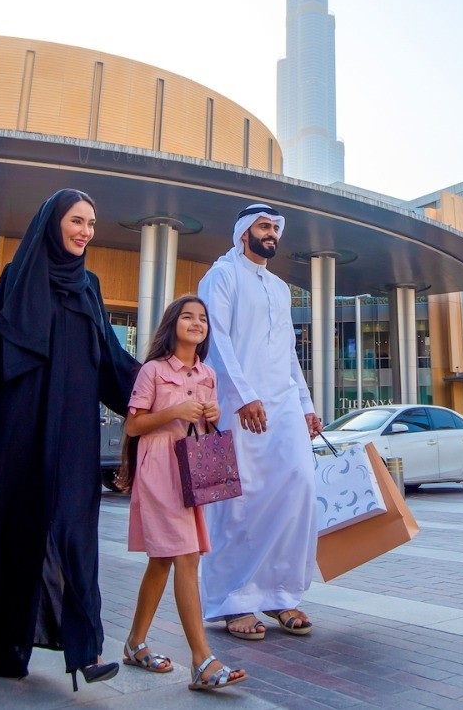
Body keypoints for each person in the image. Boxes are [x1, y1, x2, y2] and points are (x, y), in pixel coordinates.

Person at [0, 189, 140, 690]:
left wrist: (168, 386)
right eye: (77, 220)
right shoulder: (17, 279)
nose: (86, 231)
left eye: (92, 223)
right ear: (53, 222)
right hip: (20, 430)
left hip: (73, 437)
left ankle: (86, 650)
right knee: (12, 536)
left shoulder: (89, 287)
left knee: (74, 531)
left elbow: (112, 361)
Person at [198, 203, 321, 640]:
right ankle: (233, 601)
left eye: (275, 228)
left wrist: (306, 403)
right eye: (263, 226)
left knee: (300, 483)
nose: (271, 234)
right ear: (243, 232)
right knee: (237, 502)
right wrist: (243, 395)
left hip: (283, 402)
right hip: (236, 404)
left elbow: (288, 350)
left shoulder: (281, 287)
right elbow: (218, 340)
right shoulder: (222, 275)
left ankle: (280, 593)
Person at [118, 295, 246, 691]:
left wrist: (212, 416)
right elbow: (133, 427)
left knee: (162, 561)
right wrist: (175, 411)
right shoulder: (153, 371)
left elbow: (203, 429)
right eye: (188, 316)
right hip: (159, 470)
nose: (197, 323)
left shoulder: (208, 374)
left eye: (202, 319)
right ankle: (202, 660)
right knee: (186, 558)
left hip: (191, 472)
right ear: (173, 323)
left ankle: (135, 644)